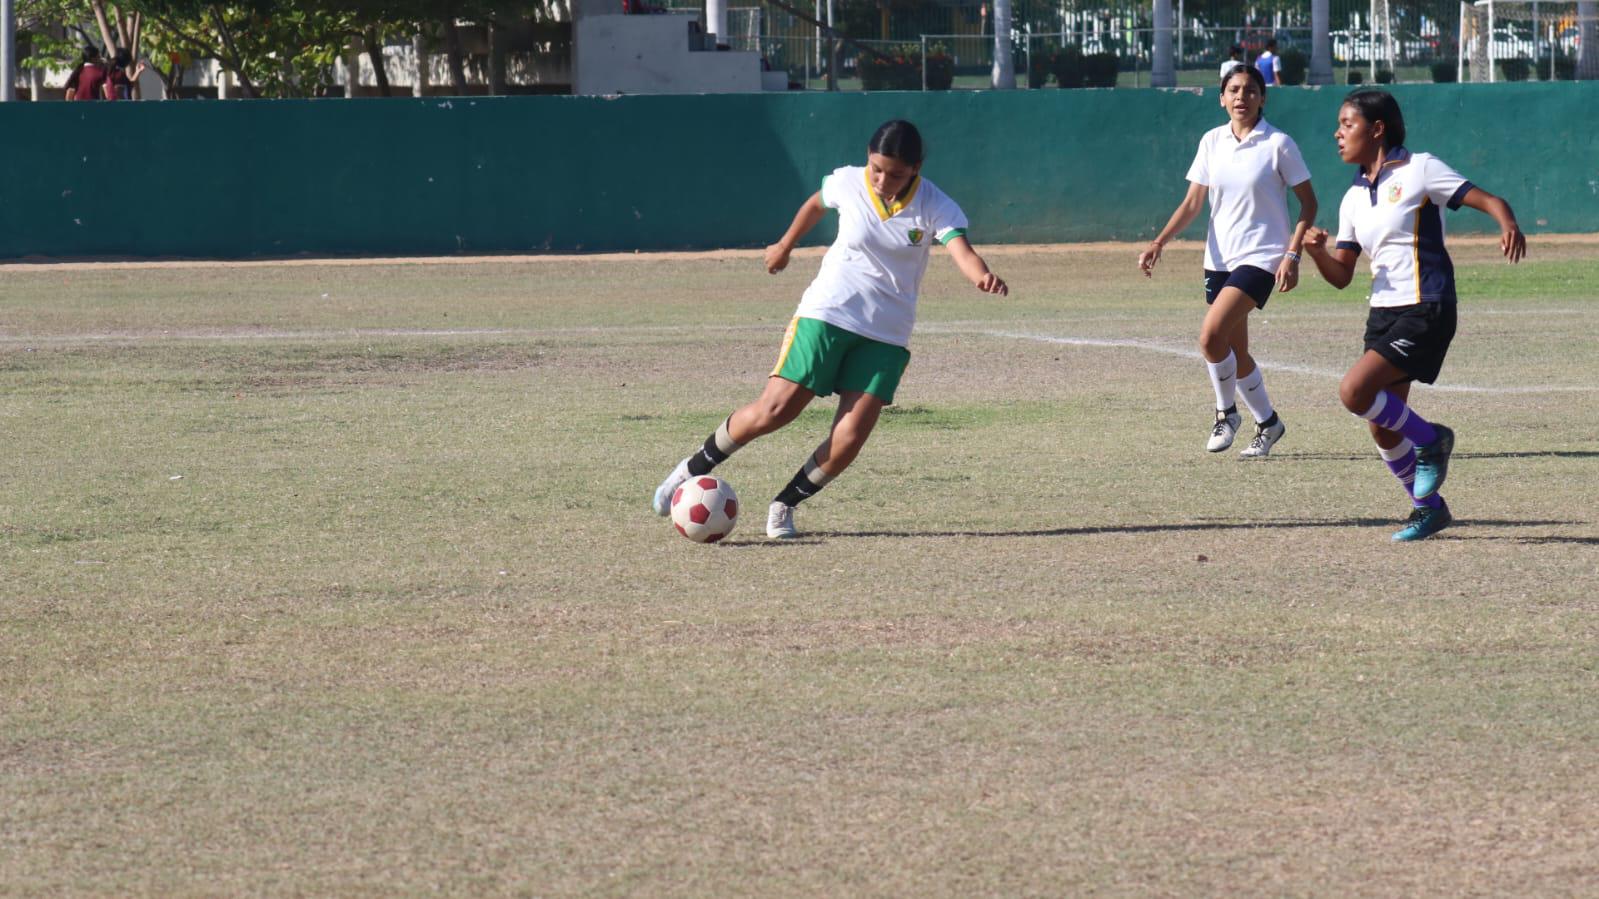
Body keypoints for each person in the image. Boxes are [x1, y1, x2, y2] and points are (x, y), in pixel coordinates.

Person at [651, 120, 1008, 539]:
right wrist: (785, 245)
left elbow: (960, 249)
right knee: (776, 410)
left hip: (887, 333)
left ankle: (784, 505)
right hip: (828, 313)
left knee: (850, 437)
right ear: (867, 158)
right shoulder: (847, 182)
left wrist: (981, 276)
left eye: (895, 173)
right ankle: (690, 470)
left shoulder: (936, 204)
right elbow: (815, 204)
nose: (882, 180)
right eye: (876, 168)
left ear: (916, 168)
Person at [1303, 90, 1525, 541]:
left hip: (1427, 305)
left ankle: (1432, 439)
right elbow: (1342, 275)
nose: (1337, 133)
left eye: (1348, 124)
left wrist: (1508, 223)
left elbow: (1488, 199)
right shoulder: (1351, 198)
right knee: (1382, 427)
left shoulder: (1420, 168)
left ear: (1377, 128)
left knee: (1353, 391)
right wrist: (1316, 253)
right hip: (1382, 313)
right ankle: (1429, 508)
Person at [1138, 64, 1317, 458]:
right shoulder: (1212, 141)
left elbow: (1309, 202)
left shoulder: (1278, 144)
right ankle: (1269, 423)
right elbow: (1192, 203)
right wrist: (1159, 242)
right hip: (1218, 259)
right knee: (1235, 350)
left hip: (1262, 257)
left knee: (1209, 337)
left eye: (1250, 90)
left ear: (1262, 98)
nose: (1241, 97)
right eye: (1233, 90)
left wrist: (1292, 253)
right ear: (1222, 98)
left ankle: (1226, 413)